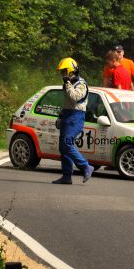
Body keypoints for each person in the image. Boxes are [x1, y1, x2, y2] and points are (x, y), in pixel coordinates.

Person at [53, 57, 94, 185]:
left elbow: (75, 97)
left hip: (76, 117)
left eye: (64, 72)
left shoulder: (81, 84)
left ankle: (86, 166)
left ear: (71, 71)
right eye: (62, 72)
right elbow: (66, 102)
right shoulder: (68, 84)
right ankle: (67, 176)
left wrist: (67, 83)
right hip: (67, 115)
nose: (62, 74)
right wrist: (60, 116)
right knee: (62, 147)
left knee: (67, 143)